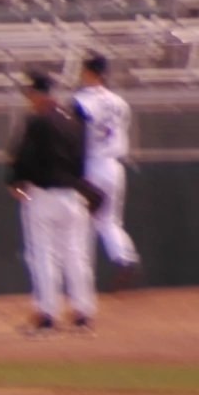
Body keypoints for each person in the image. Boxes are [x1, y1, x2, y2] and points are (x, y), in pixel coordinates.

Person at [8, 72, 98, 334]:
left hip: (43, 197)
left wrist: (15, 182)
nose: (30, 100)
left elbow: (22, 159)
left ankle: (47, 315)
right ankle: (83, 315)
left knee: (43, 256)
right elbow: (82, 163)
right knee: (75, 256)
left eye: (31, 94)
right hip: (73, 197)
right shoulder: (74, 122)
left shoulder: (37, 122)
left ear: (39, 94)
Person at [69, 52, 140, 289]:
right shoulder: (120, 102)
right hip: (115, 165)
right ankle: (125, 256)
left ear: (89, 72)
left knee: (83, 223)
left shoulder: (80, 101)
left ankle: (82, 280)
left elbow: (75, 137)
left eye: (84, 70)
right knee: (110, 222)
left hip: (92, 165)